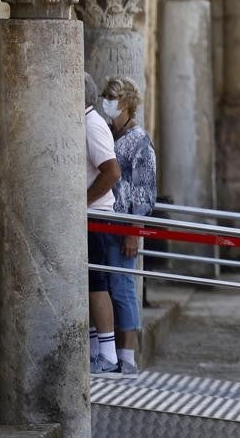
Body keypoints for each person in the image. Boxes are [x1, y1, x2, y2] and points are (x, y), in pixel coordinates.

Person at [98, 77, 156, 376]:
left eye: (112, 97)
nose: (106, 101)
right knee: (104, 285)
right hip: (102, 220)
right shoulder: (107, 133)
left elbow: (144, 190)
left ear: (126, 102)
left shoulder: (139, 140)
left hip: (123, 224)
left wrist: (134, 227)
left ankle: (128, 355)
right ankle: (106, 349)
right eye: (105, 95)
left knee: (122, 288)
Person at [84, 74, 123, 376]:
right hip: (89, 215)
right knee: (89, 283)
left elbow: (111, 172)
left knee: (97, 283)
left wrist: (82, 201)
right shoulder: (87, 122)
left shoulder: (91, 124)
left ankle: (108, 354)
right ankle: (96, 349)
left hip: (94, 215)